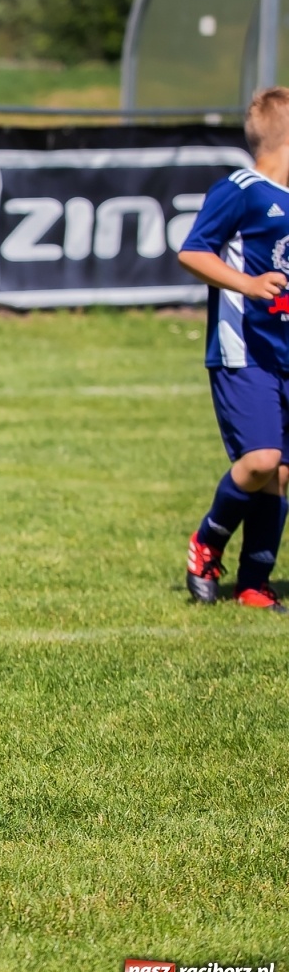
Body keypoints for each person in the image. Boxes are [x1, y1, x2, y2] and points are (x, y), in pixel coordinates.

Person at [177, 86, 289, 613]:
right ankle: (207, 544)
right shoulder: (241, 190)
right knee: (261, 460)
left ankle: (254, 581)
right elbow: (192, 250)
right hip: (243, 349)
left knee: (281, 472)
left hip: (284, 351)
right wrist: (246, 285)